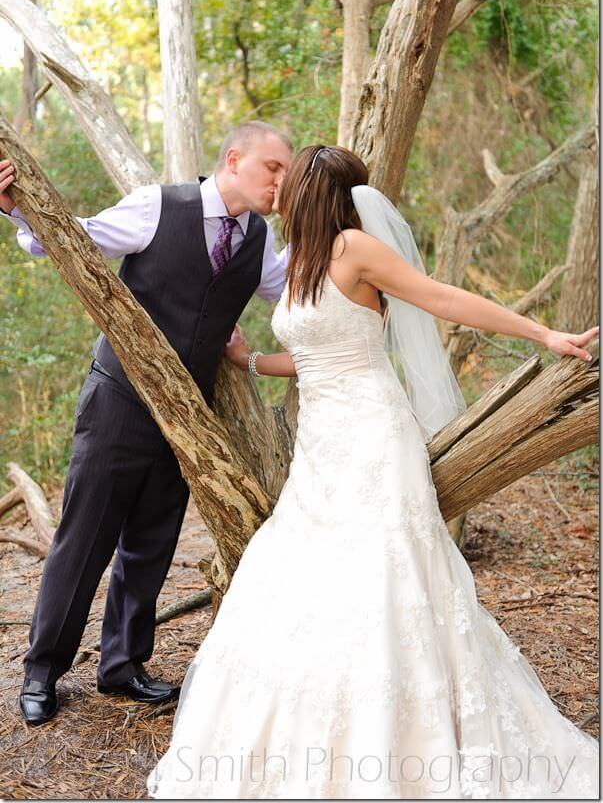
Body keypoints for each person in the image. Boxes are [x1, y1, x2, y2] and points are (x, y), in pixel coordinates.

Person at [147, 145, 599, 799]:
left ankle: (402, 744)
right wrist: (250, 361)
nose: (278, 191)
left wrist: (543, 335)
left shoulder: (354, 248)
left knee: (383, 583)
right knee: (303, 585)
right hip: (320, 453)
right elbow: (315, 356)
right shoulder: (300, 260)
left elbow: (441, 298)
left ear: (309, 193)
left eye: (288, 181)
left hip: (374, 441)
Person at [0, 120, 293, 726]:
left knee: (151, 543)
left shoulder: (260, 239)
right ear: (234, 159)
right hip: (118, 402)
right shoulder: (158, 206)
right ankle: (41, 671)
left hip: (188, 418)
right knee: (84, 539)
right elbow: (71, 241)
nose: (280, 182)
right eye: (274, 168)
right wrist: (15, 210)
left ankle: (123, 666)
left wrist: (344, 244)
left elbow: (289, 290)